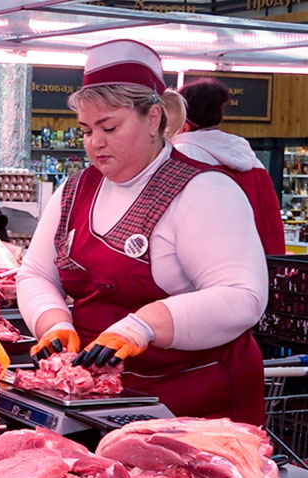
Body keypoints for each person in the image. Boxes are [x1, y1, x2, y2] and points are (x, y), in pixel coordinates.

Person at [17, 40, 268, 425]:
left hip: (196, 406)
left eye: (109, 127)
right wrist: (53, 322)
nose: (94, 143)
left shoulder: (205, 191)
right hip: (99, 400)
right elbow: (36, 273)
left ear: (153, 119)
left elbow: (243, 296)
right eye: (85, 130)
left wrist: (144, 325)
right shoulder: (74, 189)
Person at [171, 77, 286, 255]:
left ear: (181, 117)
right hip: (253, 265)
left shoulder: (181, 156)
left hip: (203, 267)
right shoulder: (252, 161)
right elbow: (269, 224)